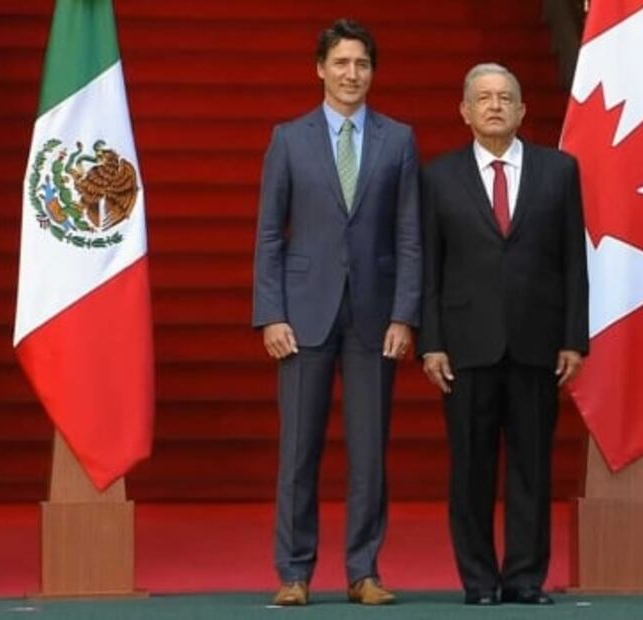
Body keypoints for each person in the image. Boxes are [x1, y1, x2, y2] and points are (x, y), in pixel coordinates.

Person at [252, 18, 420, 607]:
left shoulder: (397, 140)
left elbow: (409, 237)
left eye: (363, 65)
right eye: (342, 63)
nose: (353, 75)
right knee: (298, 449)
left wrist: (405, 315)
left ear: (373, 72)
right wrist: (270, 314)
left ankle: (363, 571)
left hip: (375, 318)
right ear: (320, 68)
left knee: (369, 452)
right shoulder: (289, 139)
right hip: (303, 315)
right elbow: (270, 234)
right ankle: (294, 572)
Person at [418, 63, 588, 606]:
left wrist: (573, 338)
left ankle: (523, 578)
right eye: (483, 98)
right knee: (470, 469)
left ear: (521, 110)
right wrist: (431, 341)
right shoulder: (438, 176)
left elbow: (574, 263)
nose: (495, 106)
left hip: (537, 344)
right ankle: (478, 580)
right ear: (464, 112)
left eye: (505, 97)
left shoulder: (559, 171)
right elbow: (429, 266)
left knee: (531, 468)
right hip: (465, 346)